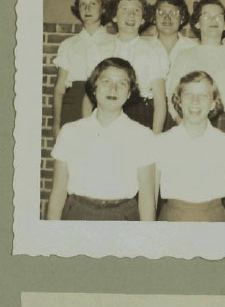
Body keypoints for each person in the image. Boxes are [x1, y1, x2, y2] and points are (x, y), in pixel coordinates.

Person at [47, 57, 156, 221]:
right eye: (106, 82)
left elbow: (147, 200)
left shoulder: (143, 135)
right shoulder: (70, 132)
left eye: (122, 84)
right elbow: (57, 193)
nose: (113, 89)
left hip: (124, 217)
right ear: (94, 88)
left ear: (128, 94)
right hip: (77, 215)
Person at [155, 71, 225, 222]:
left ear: (214, 103)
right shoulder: (161, 143)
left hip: (214, 220)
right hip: (172, 220)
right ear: (179, 100)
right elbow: (152, 198)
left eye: (204, 96)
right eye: (188, 95)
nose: (195, 101)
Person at [168, 0, 225, 137]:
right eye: (206, 16)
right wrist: (184, 129)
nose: (213, 20)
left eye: (218, 16)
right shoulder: (184, 56)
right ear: (197, 24)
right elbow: (173, 95)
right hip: (191, 120)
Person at [52, 0, 114, 138]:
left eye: (93, 3)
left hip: (105, 102)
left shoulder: (114, 42)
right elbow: (60, 88)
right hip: (74, 102)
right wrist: (56, 123)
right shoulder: (69, 44)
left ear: (103, 8)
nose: (87, 8)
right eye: (82, 4)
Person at [109, 0, 167, 133]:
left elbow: (160, 101)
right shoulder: (102, 49)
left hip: (139, 112)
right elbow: (89, 96)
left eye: (136, 11)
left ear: (142, 20)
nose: (131, 15)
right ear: (114, 16)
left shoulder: (153, 50)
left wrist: (155, 136)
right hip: (106, 110)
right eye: (124, 10)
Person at [144, 0, 198, 130]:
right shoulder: (143, 47)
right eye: (161, 12)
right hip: (148, 111)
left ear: (182, 19)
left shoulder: (194, 48)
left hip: (183, 111)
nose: (167, 17)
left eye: (173, 13)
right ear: (154, 18)